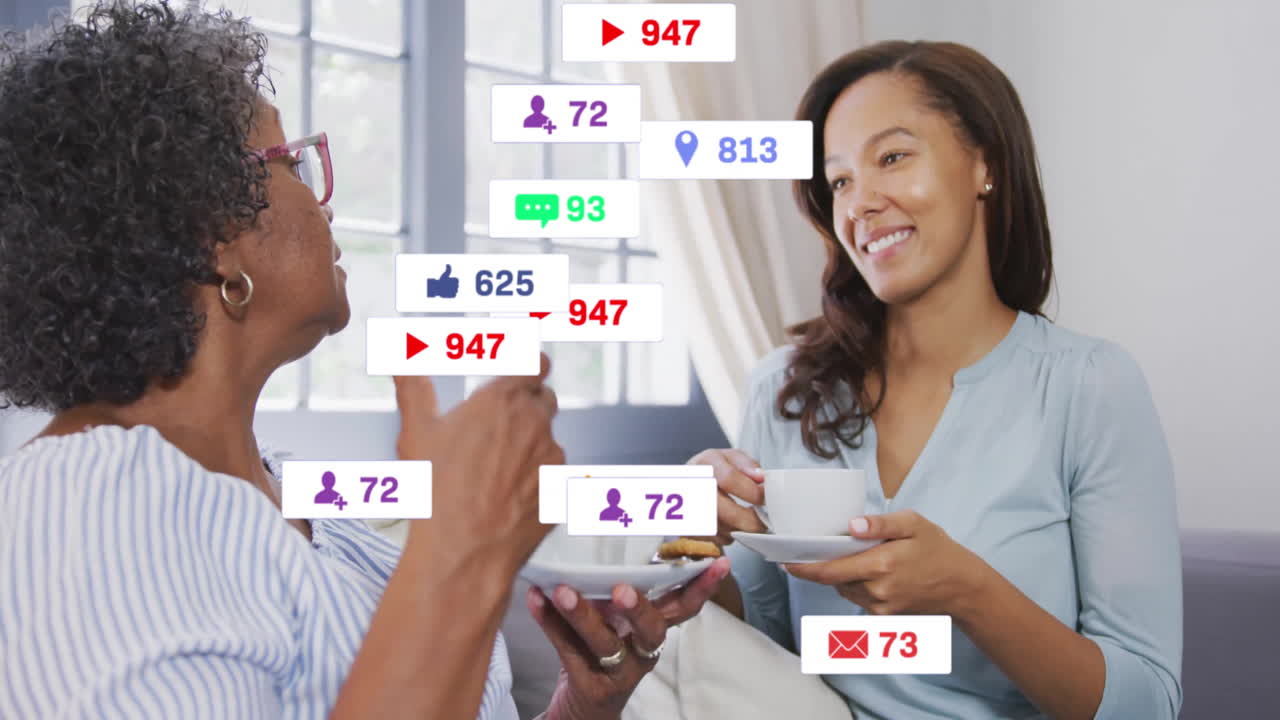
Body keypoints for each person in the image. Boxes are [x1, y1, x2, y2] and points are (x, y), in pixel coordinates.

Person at [0, 2, 728, 718]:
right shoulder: (87, 505)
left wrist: (585, 703)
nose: (326, 202)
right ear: (211, 228)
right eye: (289, 160)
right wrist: (459, 554)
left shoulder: (308, 508)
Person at [691, 41, 1182, 720]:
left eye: (891, 157)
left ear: (985, 163)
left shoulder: (1088, 387)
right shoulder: (783, 390)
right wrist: (695, 543)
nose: (860, 204)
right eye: (838, 183)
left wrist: (966, 591)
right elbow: (760, 647)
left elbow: (1148, 703)